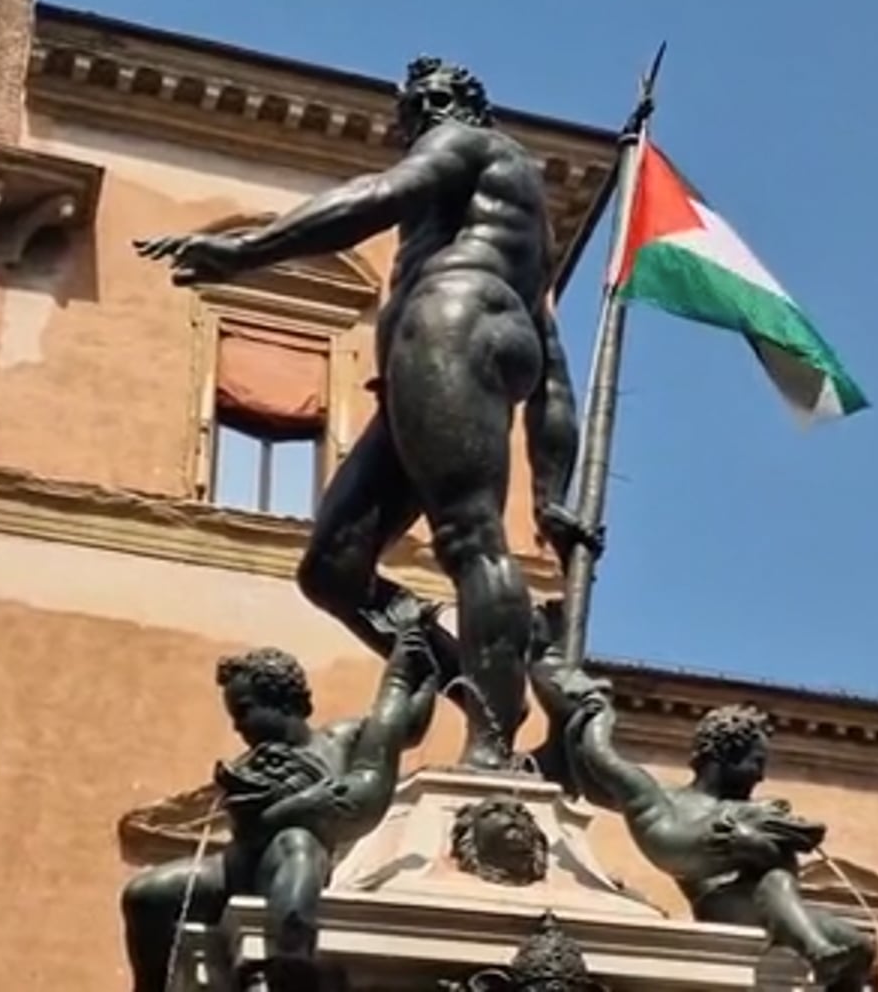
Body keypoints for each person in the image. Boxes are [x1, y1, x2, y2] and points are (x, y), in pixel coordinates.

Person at [135, 55, 598, 772]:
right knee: (332, 568)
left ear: (447, 105)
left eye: (415, 108)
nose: (408, 122)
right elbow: (551, 363)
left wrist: (246, 250)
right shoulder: (510, 222)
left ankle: (494, 746)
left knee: (470, 538)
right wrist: (550, 494)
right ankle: (468, 672)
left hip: (446, 329)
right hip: (458, 349)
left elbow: (379, 195)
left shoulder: (468, 143)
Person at [120, 631, 437, 992]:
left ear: (281, 701)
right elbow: (254, 829)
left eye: (244, 710)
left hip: (295, 860)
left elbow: (403, 727)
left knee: (297, 846)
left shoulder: (340, 740)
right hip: (237, 868)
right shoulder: (249, 768)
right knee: (144, 894)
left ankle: (288, 965)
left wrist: (424, 675)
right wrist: (303, 804)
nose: (237, 725)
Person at [533, 662, 876, 991]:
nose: (761, 774)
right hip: (720, 904)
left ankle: (823, 958)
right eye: (756, 762)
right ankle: (816, 950)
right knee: (775, 881)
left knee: (860, 946)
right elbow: (600, 773)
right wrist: (591, 716)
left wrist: (762, 847)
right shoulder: (669, 801)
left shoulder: (752, 810)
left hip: (773, 906)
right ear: (726, 754)